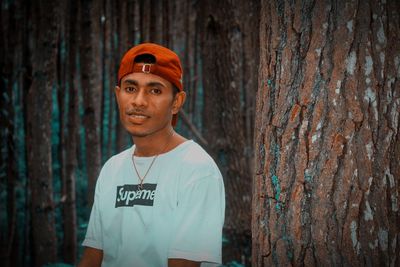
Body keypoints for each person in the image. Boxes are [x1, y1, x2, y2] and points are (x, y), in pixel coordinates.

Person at [78, 43, 225, 267]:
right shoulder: (112, 168)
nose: (138, 101)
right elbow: (92, 258)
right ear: (118, 96)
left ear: (177, 102)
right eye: (130, 88)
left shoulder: (197, 169)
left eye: (155, 90)